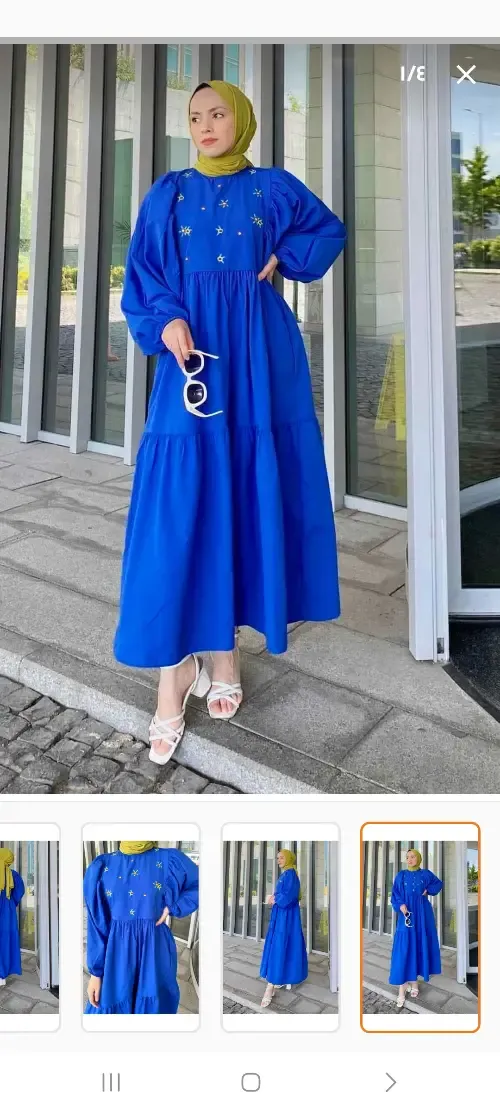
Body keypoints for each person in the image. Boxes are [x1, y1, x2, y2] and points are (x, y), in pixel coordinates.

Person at [114, 79, 346, 767]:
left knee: (246, 487)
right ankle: (175, 667)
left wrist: (283, 257)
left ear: (240, 119)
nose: (205, 125)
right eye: (194, 116)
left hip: (261, 358)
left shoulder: (273, 188)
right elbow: (143, 273)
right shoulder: (169, 193)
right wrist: (167, 321)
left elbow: (326, 230)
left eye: (217, 113)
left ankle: (224, 651)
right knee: (180, 500)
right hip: (194, 357)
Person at [84, 840, 198, 1014]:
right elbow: (97, 925)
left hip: (154, 952)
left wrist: (173, 907)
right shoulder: (102, 866)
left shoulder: (169, 860)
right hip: (116, 956)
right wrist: (95, 973)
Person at [389, 848, 443, 1008]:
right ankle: (403, 986)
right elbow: (395, 894)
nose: (409, 859)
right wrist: (400, 905)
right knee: (404, 947)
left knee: (420, 944)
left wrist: (428, 890)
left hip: (423, 914)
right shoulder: (401, 875)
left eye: (412, 857)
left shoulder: (425, 874)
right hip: (407, 914)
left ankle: (414, 983)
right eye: (407, 857)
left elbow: (438, 884)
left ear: (418, 858)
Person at [259, 848, 308, 1008]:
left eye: (281, 858)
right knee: (281, 945)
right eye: (277, 858)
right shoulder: (287, 873)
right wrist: (275, 898)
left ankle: (270, 986)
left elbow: (289, 896)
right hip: (282, 915)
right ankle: (278, 978)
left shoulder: (290, 874)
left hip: (286, 917)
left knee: (279, 945)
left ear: (288, 859)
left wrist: (274, 899)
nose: (278, 860)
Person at [0, 847, 24, 988]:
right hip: (7, 913)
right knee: (5, 940)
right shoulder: (13, 874)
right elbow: (19, 891)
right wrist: (11, 903)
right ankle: (2, 975)